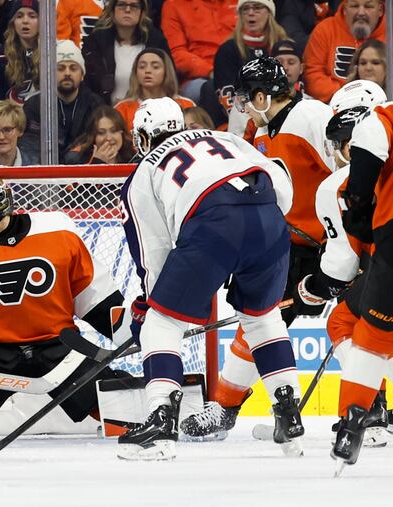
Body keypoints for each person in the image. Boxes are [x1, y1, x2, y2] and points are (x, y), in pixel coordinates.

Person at [118, 97, 301, 460]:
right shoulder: (222, 138)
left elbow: (153, 251)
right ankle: (288, 413)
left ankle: (161, 423)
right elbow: (279, 176)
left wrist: (150, 304)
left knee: (162, 322)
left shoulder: (144, 171)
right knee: (263, 318)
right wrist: (264, 225)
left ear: (142, 136)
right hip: (268, 215)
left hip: (213, 223)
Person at [179, 58, 341, 439]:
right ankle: (224, 408)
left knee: (358, 323)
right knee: (258, 321)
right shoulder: (262, 131)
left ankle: (376, 412)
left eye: (245, 97)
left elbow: (347, 169)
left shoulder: (312, 117)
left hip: (338, 241)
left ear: (262, 94)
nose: (241, 106)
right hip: (293, 246)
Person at [0, 171, 130, 428]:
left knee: (123, 407)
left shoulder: (57, 230)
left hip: (57, 349)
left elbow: (94, 295)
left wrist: (130, 334)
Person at [330, 82, 393, 471]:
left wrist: (358, 197)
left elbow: (371, 137)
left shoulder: (384, 117)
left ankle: (355, 420)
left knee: (370, 332)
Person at [23, 39, 103, 162]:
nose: (67, 73)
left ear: (82, 75)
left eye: (73, 68)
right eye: (60, 68)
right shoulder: (34, 105)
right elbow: (31, 145)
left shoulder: (96, 105)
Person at [82, 0, 170, 105]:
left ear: (142, 12)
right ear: (113, 10)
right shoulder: (96, 42)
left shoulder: (156, 41)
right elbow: (89, 86)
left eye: (134, 6)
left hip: (150, 112)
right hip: (106, 112)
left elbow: (169, 79)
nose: (127, 10)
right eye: (122, 5)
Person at [214, 0, 288, 122]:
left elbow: (292, 87)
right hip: (242, 117)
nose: (251, 13)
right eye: (245, 9)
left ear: (269, 13)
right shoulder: (228, 50)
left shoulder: (284, 47)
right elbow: (227, 96)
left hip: (281, 115)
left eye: (257, 8)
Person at [303, 0, 385, 103]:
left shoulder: (390, 33)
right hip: (333, 106)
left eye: (368, 6)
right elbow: (312, 73)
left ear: (380, 10)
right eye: (354, 6)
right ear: (345, 9)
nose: (361, 12)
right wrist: (346, 97)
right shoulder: (325, 30)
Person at [160, 0, 238, 103]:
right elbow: (176, 53)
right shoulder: (174, 5)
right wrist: (211, 72)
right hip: (200, 77)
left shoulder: (240, 3)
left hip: (238, 68)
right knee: (210, 90)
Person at [114, 48, 195, 138]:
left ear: (166, 72)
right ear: (135, 72)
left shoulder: (186, 105)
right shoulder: (122, 109)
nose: (147, 71)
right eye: (142, 67)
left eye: (155, 67)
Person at [0, 0, 40, 104]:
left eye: (32, 16)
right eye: (19, 16)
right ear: (13, 22)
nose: (25, 21)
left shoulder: (52, 55)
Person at [64, 105, 134, 165]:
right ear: (93, 136)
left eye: (114, 131)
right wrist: (97, 162)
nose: (108, 138)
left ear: (122, 133)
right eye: (101, 132)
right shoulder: (75, 159)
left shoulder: (134, 158)